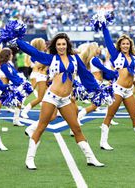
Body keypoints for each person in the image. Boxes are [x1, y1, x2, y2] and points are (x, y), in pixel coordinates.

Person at [16, 32, 105, 169]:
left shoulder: (75, 59)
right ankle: (30, 160)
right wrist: (18, 40)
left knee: (77, 129)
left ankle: (91, 158)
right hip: (51, 97)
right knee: (40, 127)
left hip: (66, 100)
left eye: (63, 44)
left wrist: (97, 89)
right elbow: (33, 51)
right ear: (55, 46)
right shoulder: (51, 58)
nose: (61, 47)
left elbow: (86, 75)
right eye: (58, 44)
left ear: (67, 45)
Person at [21, 38, 48, 119]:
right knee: (39, 97)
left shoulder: (42, 54)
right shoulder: (37, 55)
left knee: (49, 95)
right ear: (40, 45)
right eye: (44, 43)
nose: (45, 45)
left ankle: (55, 112)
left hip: (42, 76)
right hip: (38, 75)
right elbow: (39, 65)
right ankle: (24, 110)